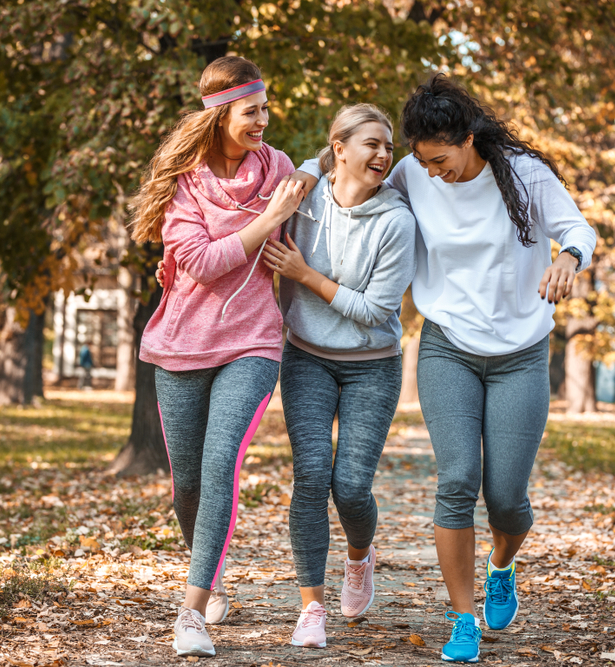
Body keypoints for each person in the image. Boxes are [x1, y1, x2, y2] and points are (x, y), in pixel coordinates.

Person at [296, 73, 597, 663]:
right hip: (447, 346)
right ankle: (463, 618)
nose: (432, 173)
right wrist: (308, 170)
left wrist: (567, 258)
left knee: (506, 499)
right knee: (457, 481)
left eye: (441, 160)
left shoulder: (523, 174)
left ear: (467, 139)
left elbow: (577, 227)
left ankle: (501, 566)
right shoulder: (413, 172)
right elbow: (347, 168)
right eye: (423, 161)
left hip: (520, 354)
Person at [129, 55, 304, 658]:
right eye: (250, 111)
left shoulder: (279, 168)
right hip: (182, 343)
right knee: (187, 486)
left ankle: (191, 610)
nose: (262, 120)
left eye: (265, 108)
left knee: (220, 464)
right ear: (220, 115)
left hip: (253, 342)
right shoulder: (186, 181)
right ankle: (212, 570)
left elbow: (320, 197)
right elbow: (202, 263)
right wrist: (269, 220)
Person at [260, 104, 415, 649]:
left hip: (372, 364)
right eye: (372, 143)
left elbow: (375, 311)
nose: (383, 154)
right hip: (306, 356)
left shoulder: (397, 222)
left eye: (388, 147)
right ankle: (311, 608)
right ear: (339, 149)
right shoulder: (303, 198)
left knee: (350, 486)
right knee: (309, 476)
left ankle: (359, 557)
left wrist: (307, 276)